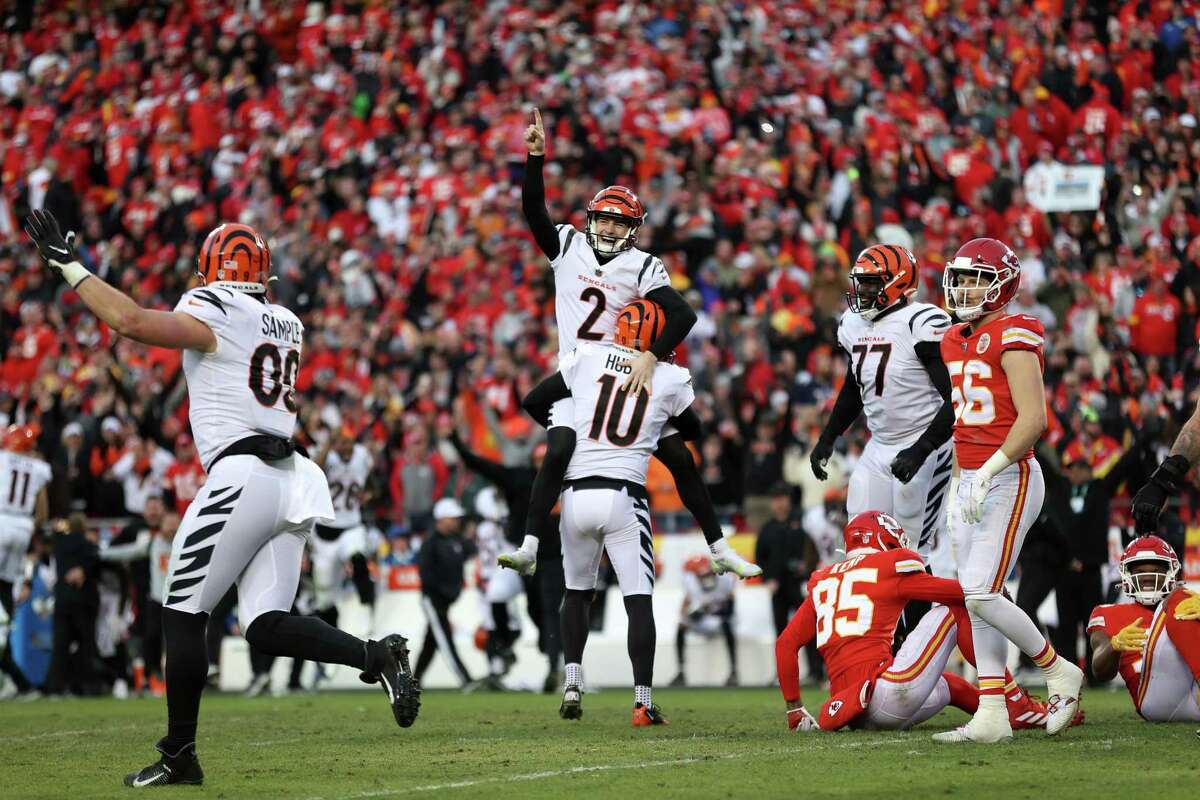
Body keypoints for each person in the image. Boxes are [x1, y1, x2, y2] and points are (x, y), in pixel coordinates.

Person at [24, 210, 419, 788]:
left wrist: (68, 265)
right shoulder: (285, 319)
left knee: (182, 611)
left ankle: (179, 752)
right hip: (290, 476)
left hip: (244, 475)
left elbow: (130, 321)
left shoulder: (217, 307)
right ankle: (375, 656)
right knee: (265, 623)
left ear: (211, 269)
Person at [498, 108, 759, 581]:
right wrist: (535, 158)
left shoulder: (642, 265)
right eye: (605, 220)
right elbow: (534, 211)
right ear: (592, 218)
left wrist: (649, 354)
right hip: (578, 372)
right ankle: (531, 545)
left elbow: (683, 313)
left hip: (621, 372)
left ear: (634, 229)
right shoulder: (568, 246)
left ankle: (718, 546)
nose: (611, 230)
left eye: (621, 224)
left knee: (682, 458)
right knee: (558, 449)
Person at [936, 237, 1084, 743]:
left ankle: (1057, 668)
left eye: (976, 277)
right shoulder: (952, 339)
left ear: (1004, 283)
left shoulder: (1016, 332)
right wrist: (959, 482)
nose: (964, 287)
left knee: (979, 591)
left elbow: (1034, 419)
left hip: (1010, 474)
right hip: (970, 481)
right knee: (979, 596)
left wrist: (985, 471)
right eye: (960, 276)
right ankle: (993, 713)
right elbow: (963, 422)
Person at [543, 300, 702, 726]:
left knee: (576, 593)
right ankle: (641, 701)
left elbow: (538, 398)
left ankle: (572, 679)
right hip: (622, 493)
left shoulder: (588, 357)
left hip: (574, 495)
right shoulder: (669, 377)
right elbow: (696, 431)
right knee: (637, 600)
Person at [775, 511, 1052, 733]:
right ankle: (1014, 700)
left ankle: (1001, 711)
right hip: (888, 690)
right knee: (957, 610)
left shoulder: (824, 581)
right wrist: (992, 592)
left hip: (852, 712)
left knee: (948, 686)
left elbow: (785, 644)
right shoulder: (886, 565)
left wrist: (794, 709)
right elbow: (959, 594)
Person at [810, 244, 956, 585]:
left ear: (899, 283)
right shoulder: (853, 324)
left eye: (872, 283)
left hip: (926, 444)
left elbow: (957, 399)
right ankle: (883, 636)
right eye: (861, 283)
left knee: (910, 553)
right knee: (862, 544)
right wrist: (828, 437)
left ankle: (920, 634)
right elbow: (854, 387)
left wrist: (921, 450)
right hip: (880, 445)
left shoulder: (921, 322)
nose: (863, 291)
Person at [1088, 536, 1200, 722]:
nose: (1148, 577)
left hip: (1193, 690)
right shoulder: (1108, 613)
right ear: (1127, 576)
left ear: (1171, 574)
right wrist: (1114, 646)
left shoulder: (1188, 603)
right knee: (1179, 599)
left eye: (1156, 571)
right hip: (1158, 699)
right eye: (1140, 572)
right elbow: (1100, 673)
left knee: (1182, 602)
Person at [0, 423, 52, 697]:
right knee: (6, 585)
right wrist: (35, 524)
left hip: (2, 518)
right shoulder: (39, 467)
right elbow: (42, 507)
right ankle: (4, 621)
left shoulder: (2, 459)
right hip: (23, 527)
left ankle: (2, 626)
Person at [311, 426, 377, 632]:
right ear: (334, 443)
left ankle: (366, 608)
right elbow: (314, 471)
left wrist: (369, 494)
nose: (346, 446)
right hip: (324, 529)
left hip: (351, 525)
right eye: (341, 442)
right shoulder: (326, 457)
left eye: (349, 441)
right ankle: (330, 631)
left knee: (357, 557)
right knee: (324, 595)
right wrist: (327, 446)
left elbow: (371, 482)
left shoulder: (361, 455)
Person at [414, 497, 474, 688]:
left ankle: (413, 681)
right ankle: (466, 679)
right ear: (441, 518)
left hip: (446, 601)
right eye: (453, 517)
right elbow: (426, 574)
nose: (457, 521)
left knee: (431, 641)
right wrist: (442, 593)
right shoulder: (430, 543)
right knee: (445, 639)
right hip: (433, 600)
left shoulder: (455, 540)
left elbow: (471, 551)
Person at [671, 555, 738, 687]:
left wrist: (715, 610)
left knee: (727, 624)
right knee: (681, 625)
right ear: (695, 577)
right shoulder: (691, 584)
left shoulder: (725, 581)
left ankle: (733, 671)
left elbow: (731, 607)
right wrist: (695, 613)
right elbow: (683, 612)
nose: (707, 579)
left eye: (709, 575)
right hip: (702, 619)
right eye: (702, 576)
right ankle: (681, 671)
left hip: (718, 618)